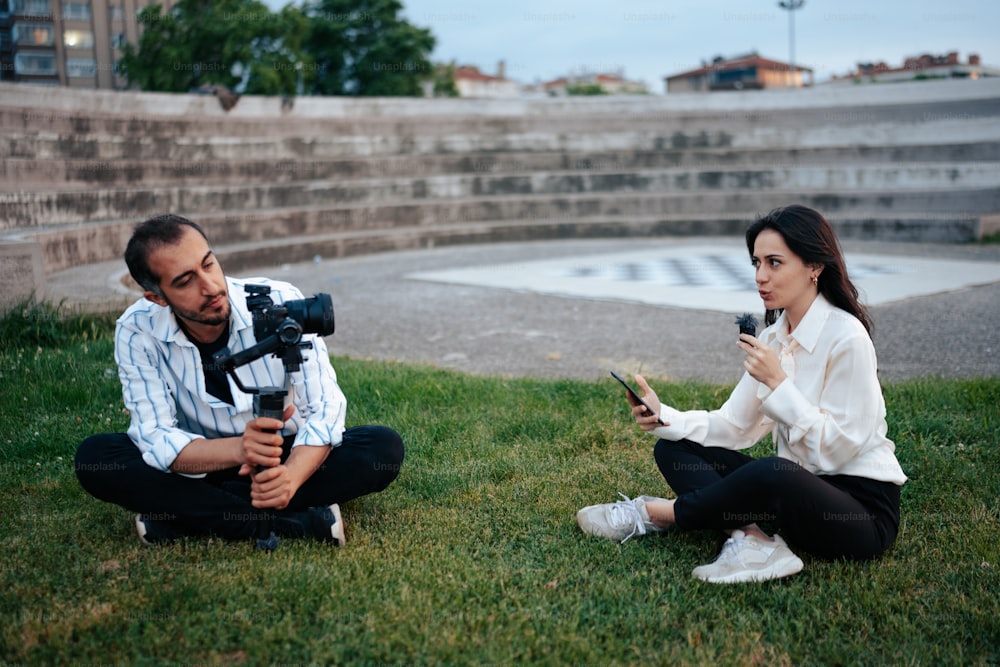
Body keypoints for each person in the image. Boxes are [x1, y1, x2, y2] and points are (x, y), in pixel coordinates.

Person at [577, 205, 907, 583]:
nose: (760, 276)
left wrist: (780, 384)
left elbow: (837, 449)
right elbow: (735, 426)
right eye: (756, 263)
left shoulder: (847, 338)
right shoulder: (771, 339)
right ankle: (753, 540)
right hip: (793, 496)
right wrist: (662, 414)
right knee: (675, 447)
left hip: (860, 514)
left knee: (774, 472)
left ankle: (657, 514)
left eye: (774, 263)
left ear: (814, 266)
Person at [75, 214, 404, 546]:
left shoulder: (280, 300)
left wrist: (289, 478)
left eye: (208, 264)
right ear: (158, 298)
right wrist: (240, 449)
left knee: (381, 448)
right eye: (185, 281)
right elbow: (156, 435)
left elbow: (325, 410)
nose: (210, 287)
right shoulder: (137, 329)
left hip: (284, 455)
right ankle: (294, 522)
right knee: (97, 459)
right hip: (201, 461)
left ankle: (187, 515)